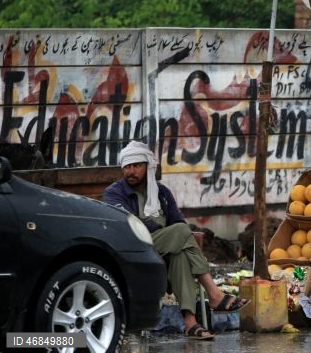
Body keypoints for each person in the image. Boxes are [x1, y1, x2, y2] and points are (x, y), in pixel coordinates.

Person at [103, 141, 249, 341]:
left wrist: (170, 237)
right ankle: (214, 293)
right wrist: (168, 234)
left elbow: (178, 220)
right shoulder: (114, 193)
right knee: (180, 232)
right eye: (127, 167)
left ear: (148, 166)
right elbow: (131, 224)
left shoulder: (162, 193)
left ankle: (190, 323)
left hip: (163, 256)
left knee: (180, 255)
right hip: (135, 250)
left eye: (136, 165)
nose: (131, 171)